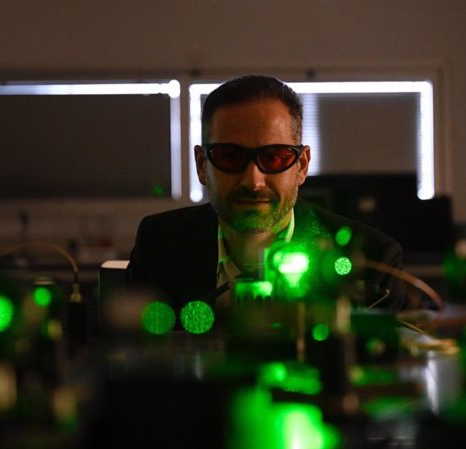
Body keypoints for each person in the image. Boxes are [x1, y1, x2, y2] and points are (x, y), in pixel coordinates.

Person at [126, 74, 407, 314]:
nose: (253, 181)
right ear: (202, 165)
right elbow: (127, 361)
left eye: (274, 157)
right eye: (229, 156)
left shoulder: (371, 262)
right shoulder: (160, 246)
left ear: (302, 165)